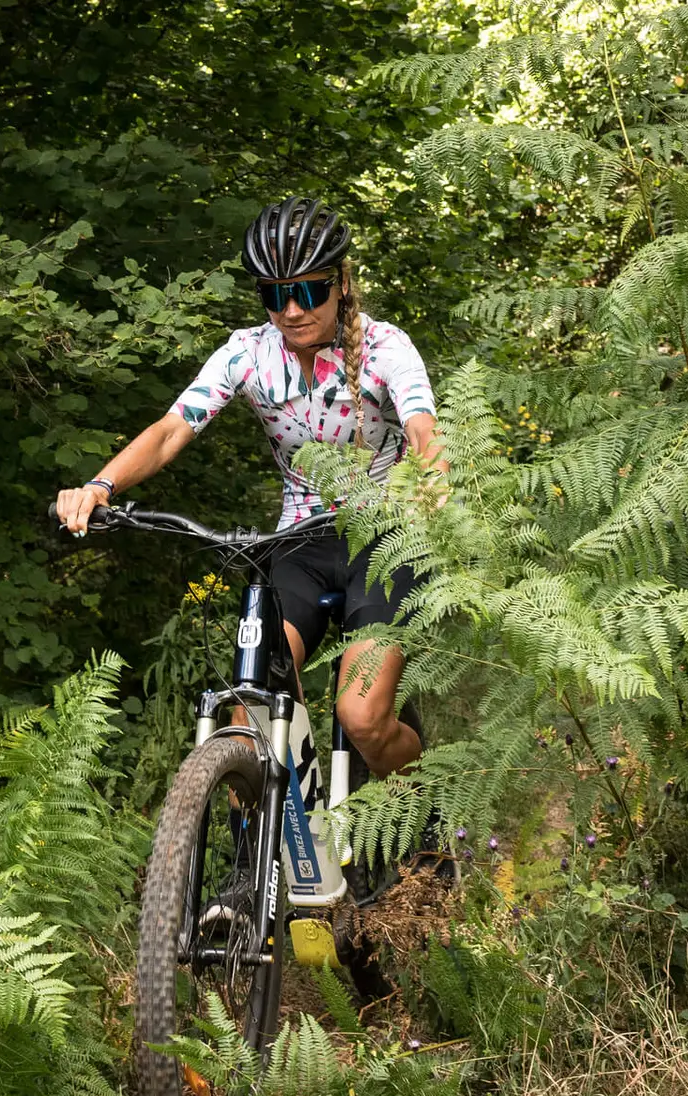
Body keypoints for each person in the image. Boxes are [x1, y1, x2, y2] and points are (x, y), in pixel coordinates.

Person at [55, 197, 445, 777]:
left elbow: (420, 425)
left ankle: (426, 815)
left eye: (308, 292)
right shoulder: (248, 352)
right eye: (274, 294)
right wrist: (99, 485)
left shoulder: (385, 345)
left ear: (340, 284)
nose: (290, 310)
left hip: (385, 540)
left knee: (362, 718)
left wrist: (436, 484)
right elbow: (171, 430)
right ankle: (259, 857)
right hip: (300, 542)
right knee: (246, 717)